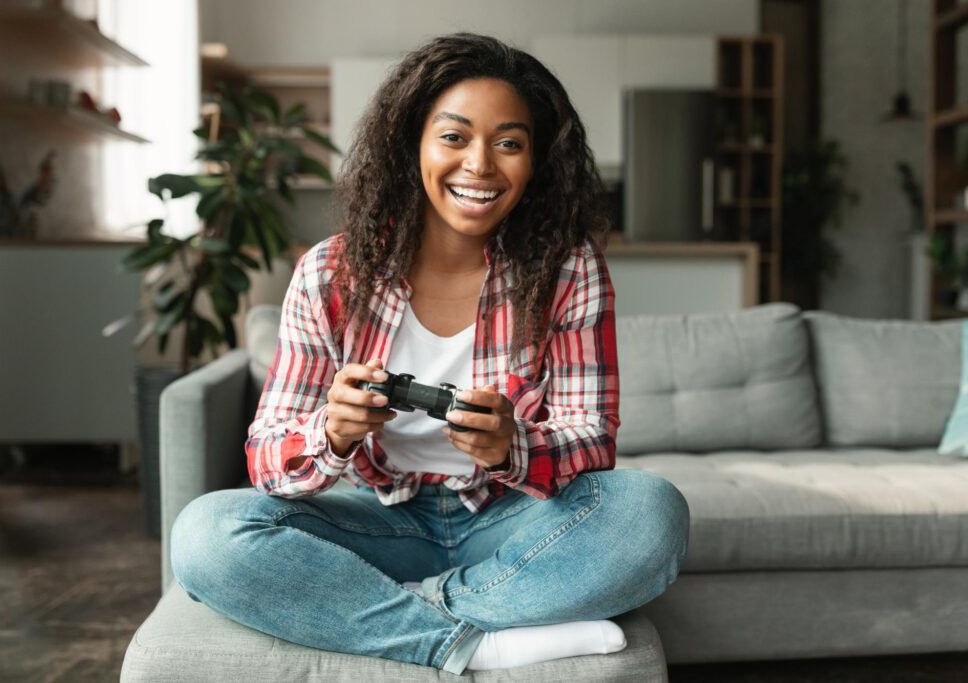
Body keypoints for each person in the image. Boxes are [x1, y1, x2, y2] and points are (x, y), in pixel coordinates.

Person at [171, 33, 690, 675]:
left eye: (509, 143)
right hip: (372, 521)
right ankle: (473, 641)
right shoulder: (329, 272)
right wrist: (329, 434)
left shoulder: (568, 270)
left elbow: (593, 440)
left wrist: (513, 446)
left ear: (536, 163)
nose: (480, 165)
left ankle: (402, 614)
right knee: (206, 535)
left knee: (650, 512)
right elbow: (266, 460)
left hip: (509, 521)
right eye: (454, 137)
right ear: (411, 144)